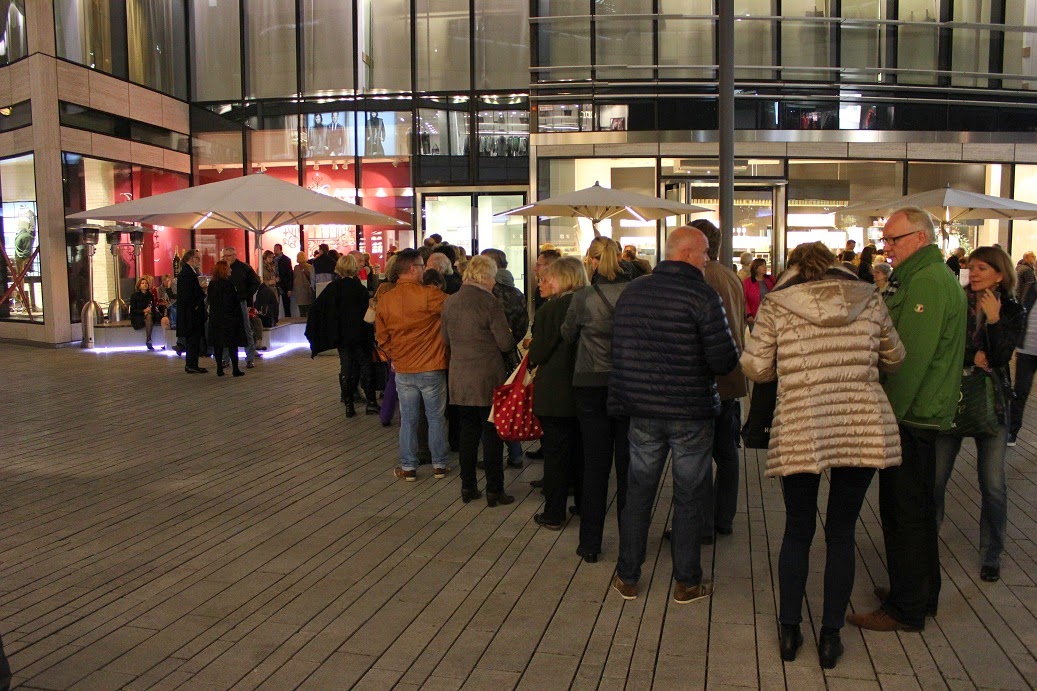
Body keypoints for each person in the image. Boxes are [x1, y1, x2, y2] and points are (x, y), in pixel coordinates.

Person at [741, 242, 905, 668]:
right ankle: (831, 636)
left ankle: (789, 630)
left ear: (794, 267)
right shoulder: (869, 298)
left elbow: (757, 369)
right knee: (841, 530)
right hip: (862, 423)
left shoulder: (778, 305)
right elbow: (895, 357)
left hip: (804, 421)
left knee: (798, 528)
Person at [847, 207, 966, 633]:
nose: (887, 248)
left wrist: (884, 419)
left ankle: (906, 607)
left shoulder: (928, 282)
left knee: (904, 512)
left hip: (913, 416)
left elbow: (907, 362)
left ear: (919, 237)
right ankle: (918, 591)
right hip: (918, 414)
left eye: (893, 240)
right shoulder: (920, 277)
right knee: (913, 510)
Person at [609, 226, 739, 604]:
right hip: (690, 412)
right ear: (687, 253)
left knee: (638, 493)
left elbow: (619, 349)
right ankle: (686, 581)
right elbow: (723, 359)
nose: (706, 261)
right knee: (688, 495)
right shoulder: (703, 296)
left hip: (642, 410)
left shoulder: (633, 292)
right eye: (703, 255)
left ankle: (628, 577)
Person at [933, 246, 1024, 583]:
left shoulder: (1012, 309)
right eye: (971, 267)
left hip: (994, 402)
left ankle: (992, 555)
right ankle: (926, 544)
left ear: (1000, 274)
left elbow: (1001, 356)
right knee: (936, 479)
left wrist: (996, 320)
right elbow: (945, 344)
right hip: (953, 397)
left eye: (983, 268)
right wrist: (974, 354)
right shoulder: (956, 301)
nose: (974, 273)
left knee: (993, 484)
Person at [561, 237, 631, 562]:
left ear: (590, 261)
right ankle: (631, 541)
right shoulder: (635, 293)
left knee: (595, 466)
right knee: (629, 465)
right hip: (628, 386)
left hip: (590, 383)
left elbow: (567, 334)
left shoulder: (584, 297)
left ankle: (590, 543)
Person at [441, 255, 516, 506]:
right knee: (491, 434)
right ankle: (495, 489)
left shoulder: (450, 302)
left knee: (467, 433)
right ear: (486, 277)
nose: (495, 282)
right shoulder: (489, 302)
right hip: (487, 376)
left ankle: (468, 486)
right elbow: (505, 344)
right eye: (493, 277)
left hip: (460, 376)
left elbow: (446, 340)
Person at [690, 219, 748, 542]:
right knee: (726, 453)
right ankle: (722, 516)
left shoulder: (703, 277)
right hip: (731, 376)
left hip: (708, 378)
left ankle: (702, 523)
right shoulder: (731, 276)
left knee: (699, 454)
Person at [376, 249, 451, 481]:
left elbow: (381, 338)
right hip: (431, 366)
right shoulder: (429, 295)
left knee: (408, 420)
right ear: (412, 269)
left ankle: (408, 467)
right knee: (436, 418)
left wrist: (395, 356)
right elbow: (455, 307)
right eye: (421, 267)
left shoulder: (386, 299)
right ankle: (439, 464)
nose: (424, 271)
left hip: (403, 369)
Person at [529, 256, 588, 530]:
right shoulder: (590, 304)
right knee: (581, 451)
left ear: (563, 279)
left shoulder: (549, 311)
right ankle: (585, 504)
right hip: (586, 389)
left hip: (555, 391)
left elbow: (539, 353)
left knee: (556, 454)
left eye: (548, 278)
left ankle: (554, 512)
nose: (541, 282)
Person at [308, 253, 378, 417]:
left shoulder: (332, 288)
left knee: (346, 367)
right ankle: (371, 403)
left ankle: (349, 405)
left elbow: (317, 309)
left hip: (342, 335)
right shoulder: (359, 288)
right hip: (360, 334)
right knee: (365, 366)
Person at [480, 248, 530, 467]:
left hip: (486, 356)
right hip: (508, 356)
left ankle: (492, 455)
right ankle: (516, 451)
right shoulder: (516, 292)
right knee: (507, 403)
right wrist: (510, 342)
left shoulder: (485, 293)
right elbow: (522, 324)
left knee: (489, 406)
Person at [1011, 253, 1037, 446]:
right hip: (1027, 349)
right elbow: (1022, 313)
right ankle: (1012, 431)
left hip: (1027, 348)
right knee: (1020, 391)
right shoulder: (1032, 289)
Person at [222, 247, 261, 369]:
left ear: (234, 255)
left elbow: (256, 282)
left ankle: (249, 358)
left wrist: (246, 295)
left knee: (246, 328)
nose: (226, 258)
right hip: (226, 303)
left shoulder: (244, 268)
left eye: (228, 256)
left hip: (240, 302)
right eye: (225, 256)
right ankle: (226, 358)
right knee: (227, 329)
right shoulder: (221, 268)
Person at [206, 260, 246, 377]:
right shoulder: (229, 285)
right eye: (228, 268)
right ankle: (235, 369)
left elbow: (210, 301)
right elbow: (233, 302)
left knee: (218, 345)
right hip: (229, 319)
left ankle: (219, 368)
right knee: (232, 345)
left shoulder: (212, 284)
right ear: (224, 270)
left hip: (216, 318)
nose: (231, 270)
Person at [176, 249, 207, 374]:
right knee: (192, 340)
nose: (199, 261)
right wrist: (201, 291)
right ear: (191, 258)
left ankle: (192, 364)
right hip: (191, 313)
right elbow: (189, 294)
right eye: (197, 258)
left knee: (193, 340)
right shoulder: (187, 274)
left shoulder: (188, 273)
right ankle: (191, 364)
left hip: (190, 312)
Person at [743, 257, 775, 328]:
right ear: (756, 268)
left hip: (769, 315)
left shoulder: (770, 279)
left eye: (765, 265)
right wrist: (748, 314)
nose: (765, 267)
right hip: (755, 316)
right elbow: (744, 300)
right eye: (762, 266)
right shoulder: (748, 282)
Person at [129, 276, 157, 350]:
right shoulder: (134, 296)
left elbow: (153, 307)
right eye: (143, 283)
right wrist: (143, 311)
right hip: (138, 316)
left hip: (148, 315)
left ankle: (148, 339)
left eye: (146, 283)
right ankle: (149, 340)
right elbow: (133, 310)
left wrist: (149, 311)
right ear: (139, 285)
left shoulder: (150, 295)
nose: (145, 284)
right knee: (148, 316)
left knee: (149, 316)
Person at [532, 247, 562, 312]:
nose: (535, 268)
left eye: (538, 265)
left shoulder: (563, 298)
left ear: (550, 266)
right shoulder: (539, 291)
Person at [293, 251, 315, 317]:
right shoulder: (310, 266)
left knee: (302, 311)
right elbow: (312, 278)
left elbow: (294, 278)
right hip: (307, 290)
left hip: (299, 291)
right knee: (309, 310)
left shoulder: (296, 268)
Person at [274, 243, 293, 317]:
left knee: (286, 304)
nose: (275, 252)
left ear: (281, 250)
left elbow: (289, 274)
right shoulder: (273, 259)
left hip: (284, 284)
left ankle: (288, 317)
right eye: (274, 250)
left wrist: (289, 288)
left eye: (276, 250)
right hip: (276, 284)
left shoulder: (286, 260)